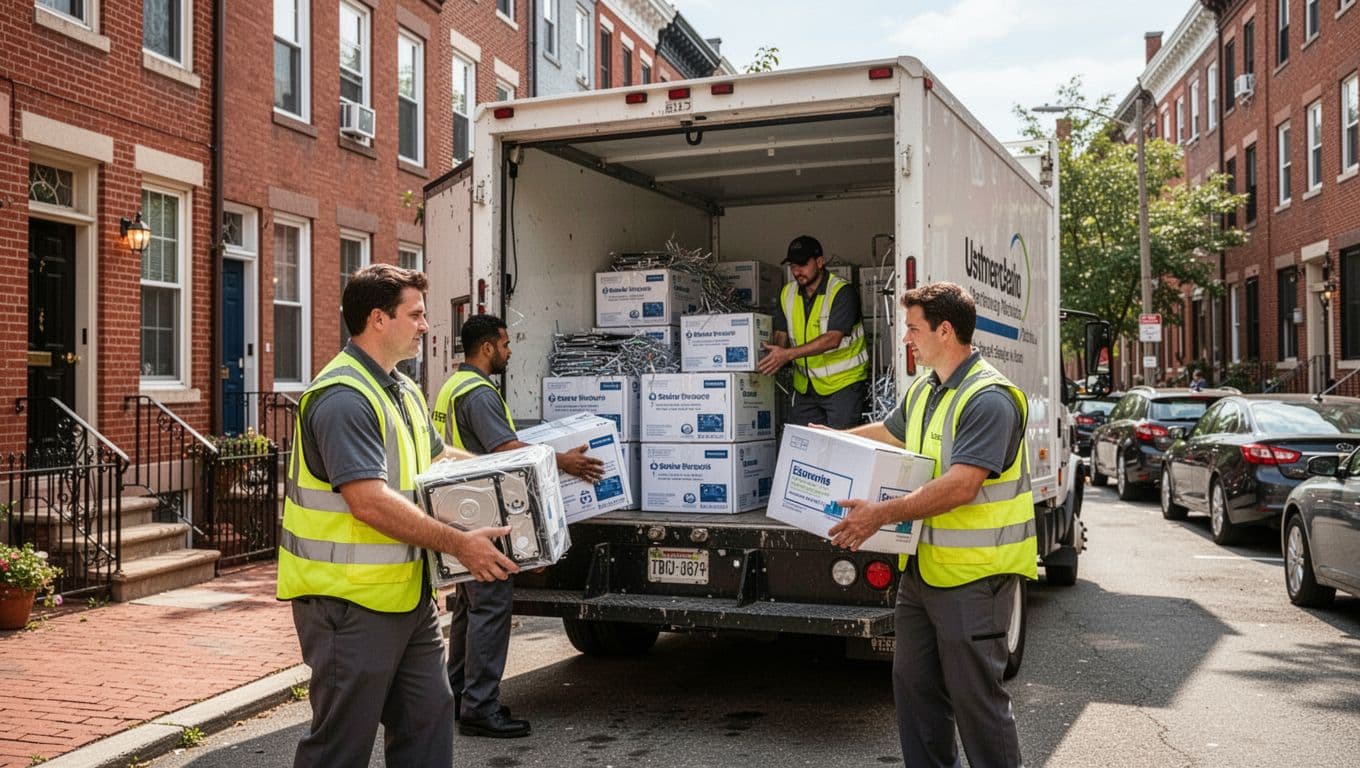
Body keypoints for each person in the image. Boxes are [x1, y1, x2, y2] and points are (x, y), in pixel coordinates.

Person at [277, 264, 518, 768]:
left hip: (406, 597)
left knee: (428, 719)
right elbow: (368, 500)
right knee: (341, 746)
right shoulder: (343, 397)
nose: (427, 325)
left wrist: (515, 475)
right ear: (377, 320)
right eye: (416, 314)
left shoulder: (401, 388)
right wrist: (458, 543)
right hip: (347, 604)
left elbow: (438, 459)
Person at [826, 281, 1035, 768]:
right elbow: (891, 433)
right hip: (922, 572)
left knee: (976, 706)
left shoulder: (990, 398)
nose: (906, 339)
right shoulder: (928, 387)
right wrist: (836, 439)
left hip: (975, 579)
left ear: (945, 330)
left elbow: (962, 486)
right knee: (917, 696)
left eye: (914, 329)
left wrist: (881, 514)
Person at [432, 314, 605, 739]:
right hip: (486, 516)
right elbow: (506, 451)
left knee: (469, 611)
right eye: (505, 345)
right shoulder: (478, 393)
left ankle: (458, 697)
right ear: (488, 347)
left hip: (463, 510)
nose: (509, 352)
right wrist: (563, 461)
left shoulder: (452, 386)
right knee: (490, 608)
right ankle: (481, 708)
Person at [757, 234, 869, 429]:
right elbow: (782, 334)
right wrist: (772, 354)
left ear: (819, 262)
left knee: (840, 445)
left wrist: (786, 355)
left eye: (802, 264)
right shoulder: (787, 293)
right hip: (806, 388)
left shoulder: (842, 292)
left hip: (843, 385)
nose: (797, 271)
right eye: (792, 266)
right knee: (806, 449)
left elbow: (833, 339)